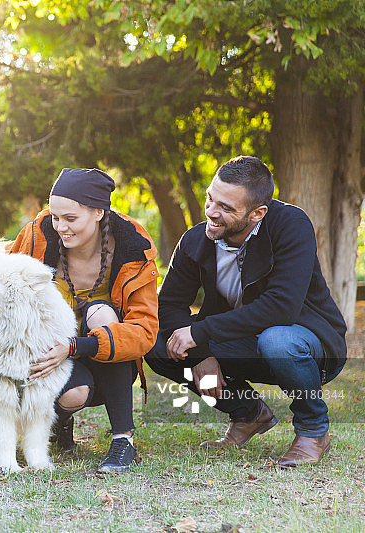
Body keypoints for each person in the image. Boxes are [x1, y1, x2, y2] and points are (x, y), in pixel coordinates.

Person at [145, 155, 347, 467]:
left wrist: (200, 333)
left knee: (277, 340)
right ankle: (248, 413)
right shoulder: (196, 240)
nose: (212, 212)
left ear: (257, 213)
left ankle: (313, 430)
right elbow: (169, 305)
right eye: (211, 198)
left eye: (226, 208)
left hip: (307, 344)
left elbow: (281, 308)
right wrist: (200, 353)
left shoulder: (291, 226)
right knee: (160, 345)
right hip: (242, 342)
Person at [7, 168, 159, 473]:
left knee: (101, 312)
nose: (61, 226)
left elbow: (144, 331)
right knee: (74, 394)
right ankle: (60, 422)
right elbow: (4, 280)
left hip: (108, 359)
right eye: (55, 217)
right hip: (52, 356)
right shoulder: (37, 235)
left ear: (98, 213)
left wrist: (76, 345)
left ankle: (123, 440)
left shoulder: (132, 245)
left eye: (71, 219)